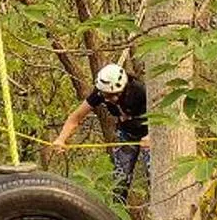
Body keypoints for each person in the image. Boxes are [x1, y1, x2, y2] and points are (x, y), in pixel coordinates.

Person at [49, 62, 149, 207]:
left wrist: (152, 135)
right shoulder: (100, 93)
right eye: (106, 96)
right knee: (120, 181)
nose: (110, 99)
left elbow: (160, 113)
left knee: (153, 174)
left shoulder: (139, 91)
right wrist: (61, 139)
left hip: (149, 135)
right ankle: (118, 214)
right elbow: (75, 117)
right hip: (127, 134)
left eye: (114, 95)